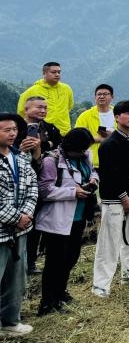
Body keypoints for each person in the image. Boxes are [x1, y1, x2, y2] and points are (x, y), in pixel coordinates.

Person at [35, 127, 97, 315]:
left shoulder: (85, 155)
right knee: (55, 261)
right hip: (58, 219)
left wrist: (93, 180)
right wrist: (73, 192)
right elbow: (44, 190)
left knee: (71, 257)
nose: (82, 152)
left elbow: (92, 172)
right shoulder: (51, 160)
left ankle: (61, 292)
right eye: (79, 149)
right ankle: (47, 302)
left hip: (78, 217)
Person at [92, 100, 129, 298]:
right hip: (114, 199)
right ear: (117, 117)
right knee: (109, 242)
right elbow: (109, 174)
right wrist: (124, 198)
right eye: (127, 113)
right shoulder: (109, 144)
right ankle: (101, 284)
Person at [0, 113, 37, 336]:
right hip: (3, 230)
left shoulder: (20, 158)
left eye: (14, 129)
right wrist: (17, 218)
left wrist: (27, 214)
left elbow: (33, 186)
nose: (12, 134)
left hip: (21, 230)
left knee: (16, 279)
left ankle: (10, 321)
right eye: (6, 130)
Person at [21, 95, 62, 274]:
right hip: (17, 182)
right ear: (26, 109)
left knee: (34, 224)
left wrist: (41, 146)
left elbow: (59, 145)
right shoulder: (14, 128)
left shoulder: (50, 128)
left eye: (45, 108)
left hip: (41, 181)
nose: (43, 111)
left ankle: (30, 262)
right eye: (39, 107)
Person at [17, 62, 74, 136]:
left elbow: (69, 107)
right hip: (43, 133)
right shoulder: (32, 91)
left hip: (64, 131)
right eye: (53, 72)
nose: (57, 74)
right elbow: (22, 111)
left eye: (59, 72)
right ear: (44, 73)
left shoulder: (66, 89)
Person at [75, 84, 116, 165]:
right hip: (92, 163)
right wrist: (99, 139)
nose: (101, 96)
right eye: (99, 94)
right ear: (95, 97)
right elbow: (77, 138)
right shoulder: (85, 116)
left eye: (105, 94)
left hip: (116, 161)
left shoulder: (119, 114)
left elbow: (128, 134)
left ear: (112, 97)